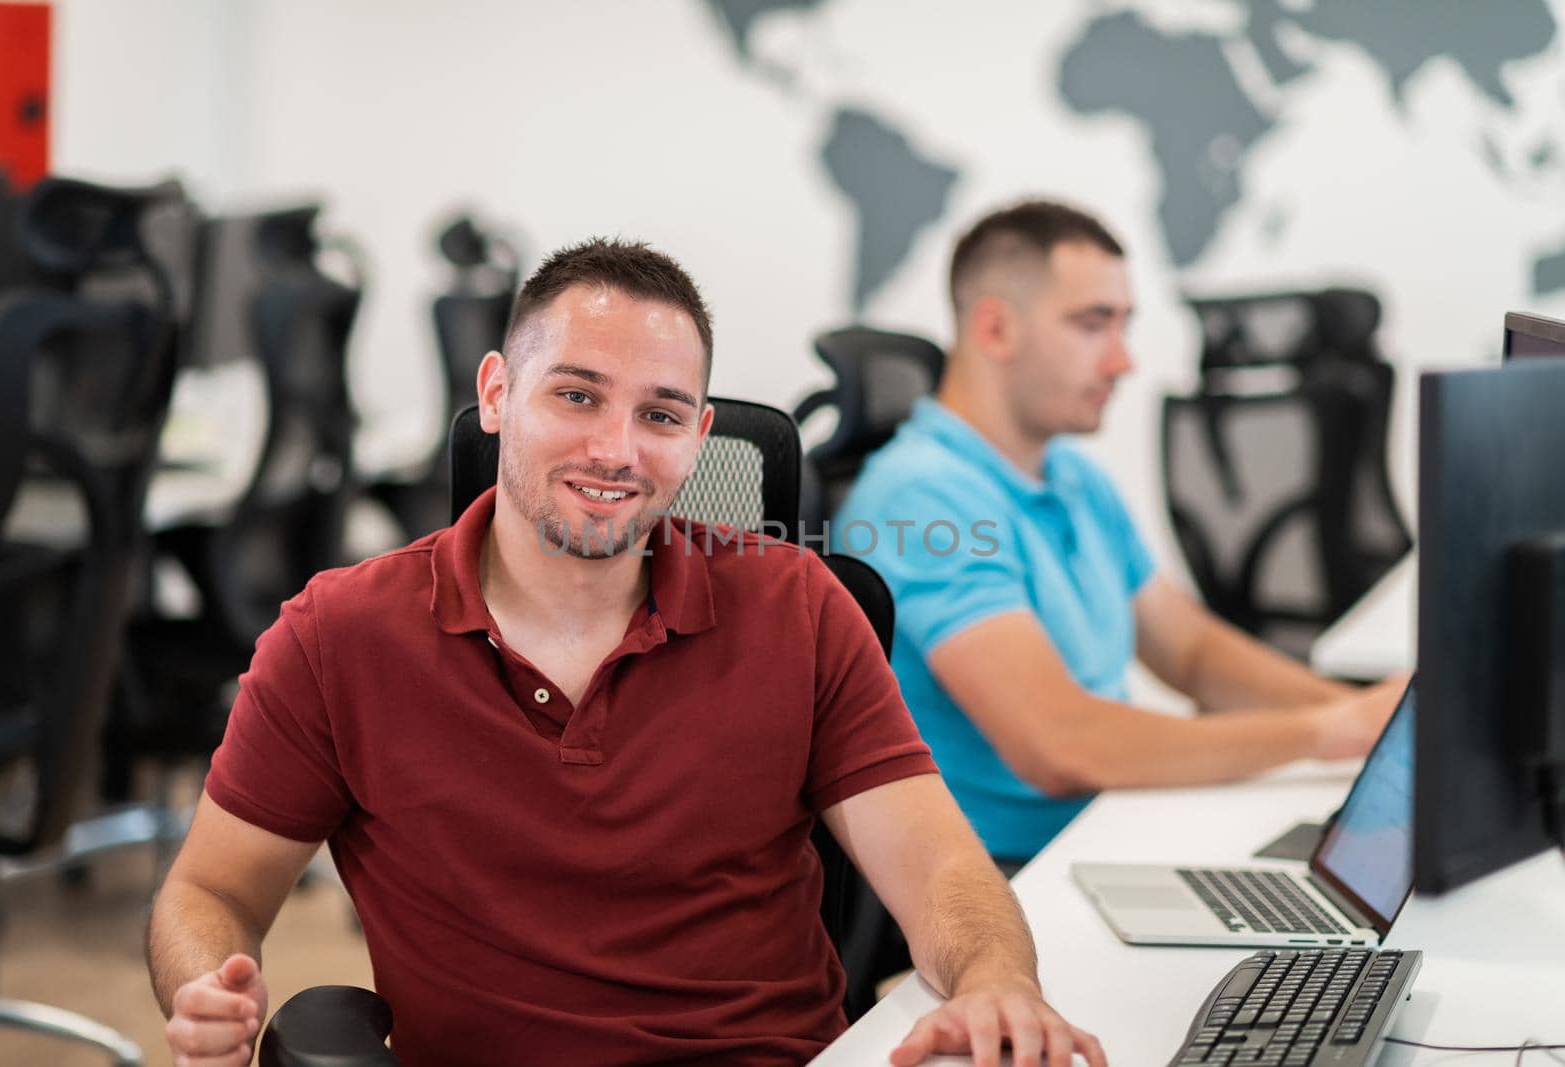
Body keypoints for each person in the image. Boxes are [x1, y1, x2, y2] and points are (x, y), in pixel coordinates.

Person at [148, 238, 1106, 1067]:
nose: (616, 449)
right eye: (577, 395)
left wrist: (994, 978)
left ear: (697, 440)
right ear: (496, 393)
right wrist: (208, 987)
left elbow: (940, 870)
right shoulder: (339, 637)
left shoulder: (798, 608)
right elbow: (210, 889)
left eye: (658, 414)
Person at [835, 200, 1404, 868]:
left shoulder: (1071, 475)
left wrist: (1377, 721)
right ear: (995, 328)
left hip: (1108, 831)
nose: (1122, 361)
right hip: (1012, 880)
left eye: (1124, 325)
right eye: (1092, 324)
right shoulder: (920, 499)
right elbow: (1058, 743)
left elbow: (1188, 649)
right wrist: (1326, 730)